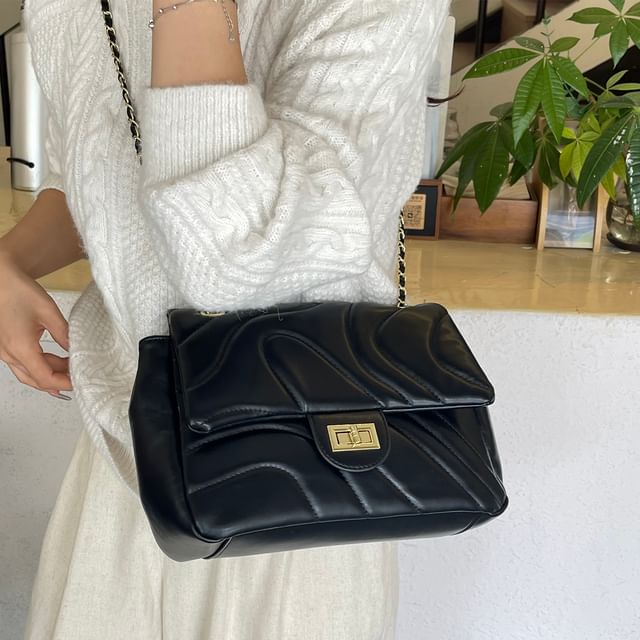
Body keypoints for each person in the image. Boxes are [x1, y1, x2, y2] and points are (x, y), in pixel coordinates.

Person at [1, 0, 450, 637]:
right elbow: (101, 171)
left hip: (308, 490)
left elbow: (241, 258)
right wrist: (11, 258)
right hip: (127, 462)